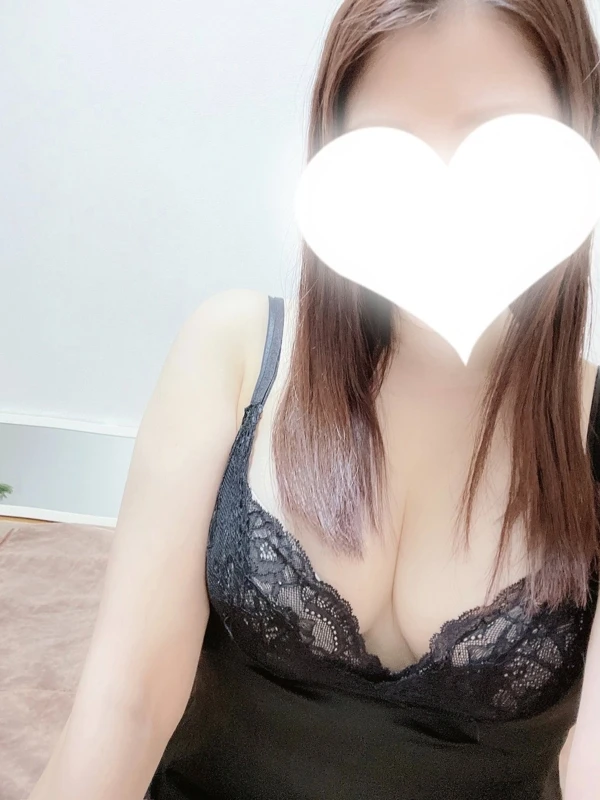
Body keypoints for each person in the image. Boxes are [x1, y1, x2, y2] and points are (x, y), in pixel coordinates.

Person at [27, 0, 600, 798]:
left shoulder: (586, 420)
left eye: (496, 137)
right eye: (390, 145)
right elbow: (125, 705)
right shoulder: (235, 350)